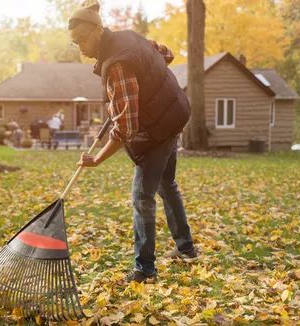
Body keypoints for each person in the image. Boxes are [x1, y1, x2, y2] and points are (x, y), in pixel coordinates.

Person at [69, 0, 198, 284]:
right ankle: (186, 248)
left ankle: (145, 269)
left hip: (160, 126)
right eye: (74, 43)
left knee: (141, 197)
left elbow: (126, 127)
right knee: (167, 184)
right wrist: (146, 74)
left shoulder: (117, 65)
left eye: (80, 41)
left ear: (97, 31)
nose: (79, 48)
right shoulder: (130, 37)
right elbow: (166, 53)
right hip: (175, 112)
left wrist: (98, 158)